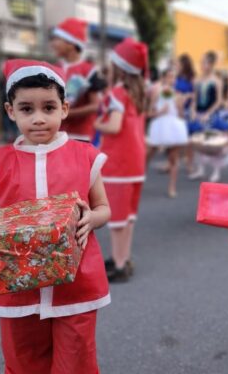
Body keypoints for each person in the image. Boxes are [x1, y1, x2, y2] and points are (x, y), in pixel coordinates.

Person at [0, 59, 111, 374]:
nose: (38, 119)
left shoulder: (84, 156)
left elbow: (103, 207)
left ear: (64, 109)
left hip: (76, 283)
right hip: (17, 287)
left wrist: (92, 219)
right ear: (11, 111)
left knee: (76, 364)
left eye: (48, 108)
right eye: (26, 109)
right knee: (23, 363)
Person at [95, 38, 148, 283]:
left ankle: (118, 264)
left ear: (119, 66)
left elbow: (114, 126)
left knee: (117, 219)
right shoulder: (139, 92)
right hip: (136, 162)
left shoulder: (117, 92)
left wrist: (94, 124)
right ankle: (123, 258)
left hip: (118, 163)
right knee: (128, 217)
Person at [51, 18, 100, 142]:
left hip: (81, 136)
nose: (53, 44)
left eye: (57, 39)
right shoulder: (54, 68)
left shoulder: (89, 71)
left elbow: (96, 105)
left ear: (71, 44)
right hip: (55, 135)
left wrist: (68, 113)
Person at [146, 68, 188, 198]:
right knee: (149, 154)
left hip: (174, 127)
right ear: (163, 78)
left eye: (174, 77)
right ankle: (139, 178)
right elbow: (148, 113)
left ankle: (172, 187)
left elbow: (180, 115)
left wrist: (180, 106)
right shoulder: (157, 92)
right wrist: (160, 112)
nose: (172, 80)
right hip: (159, 126)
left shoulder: (178, 94)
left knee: (173, 158)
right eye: (170, 76)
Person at [188, 51, 227, 182]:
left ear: (210, 64)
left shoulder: (217, 81)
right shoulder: (197, 80)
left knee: (213, 143)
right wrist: (193, 110)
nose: (201, 64)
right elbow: (194, 98)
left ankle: (216, 171)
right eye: (201, 62)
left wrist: (208, 113)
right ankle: (200, 169)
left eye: (203, 62)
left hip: (211, 115)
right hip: (198, 114)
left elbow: (219, 101)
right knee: (198, 142)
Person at [175, 54, 196, 173]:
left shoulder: (190, 78)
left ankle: (189, 164)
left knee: (189, 140)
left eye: (179, 63)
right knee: (177, 138)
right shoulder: (176, 78)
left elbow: (194, 95)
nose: (177, 65)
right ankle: (173, 162)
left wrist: (192, 108)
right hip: (177, 110)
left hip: (187, 110)